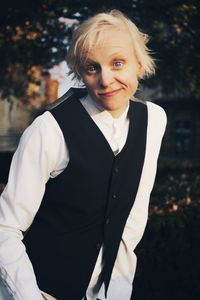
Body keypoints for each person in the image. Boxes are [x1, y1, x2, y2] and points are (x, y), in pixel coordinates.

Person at [0, 9, 167, 300]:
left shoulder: (154, 119)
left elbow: (132, 219)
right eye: (92, 68)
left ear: (139, 64)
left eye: (118, 63)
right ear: (80, 73)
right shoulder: (48, 129)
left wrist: (117, 290)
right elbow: (5, 227)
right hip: (40, 289)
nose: (106, 80)